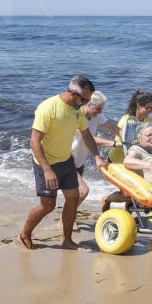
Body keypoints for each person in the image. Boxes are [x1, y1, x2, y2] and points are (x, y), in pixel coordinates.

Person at [18, 75, 109, 251]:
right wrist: (47, 170)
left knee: (73, 198)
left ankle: (67, 240)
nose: (86, 103)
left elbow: (86, 135)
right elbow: (34, 141)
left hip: (66, 160)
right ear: (73, 93)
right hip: (46, 162)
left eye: (88, 100)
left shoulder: (77, 110)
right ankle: (25, 234)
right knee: (48, 205)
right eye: (84, 99)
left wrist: (97, 156)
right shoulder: (48, 108)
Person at [56, 91, 124, 230]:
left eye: (102, 109)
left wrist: (131, 138)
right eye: (98, 109)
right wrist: (116, 144)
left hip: (78, 161)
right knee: (82, 191)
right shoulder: (76, 116)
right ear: (88, 104)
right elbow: (90, 139)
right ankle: (64, 220)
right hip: (66, 158)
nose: (100, 112)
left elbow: (114, 128)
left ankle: (67, 218)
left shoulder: (96, 115)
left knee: (73, 194)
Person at [102, 90, 152, 211]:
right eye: (148, 108)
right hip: (119, 160)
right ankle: (106, 199)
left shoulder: (149, 121)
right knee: (128, 194)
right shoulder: (126, 121)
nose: (150, 111)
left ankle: (129, 210)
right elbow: (128, 144)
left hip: (135, 161)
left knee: (138, 191)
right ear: (138, 106)